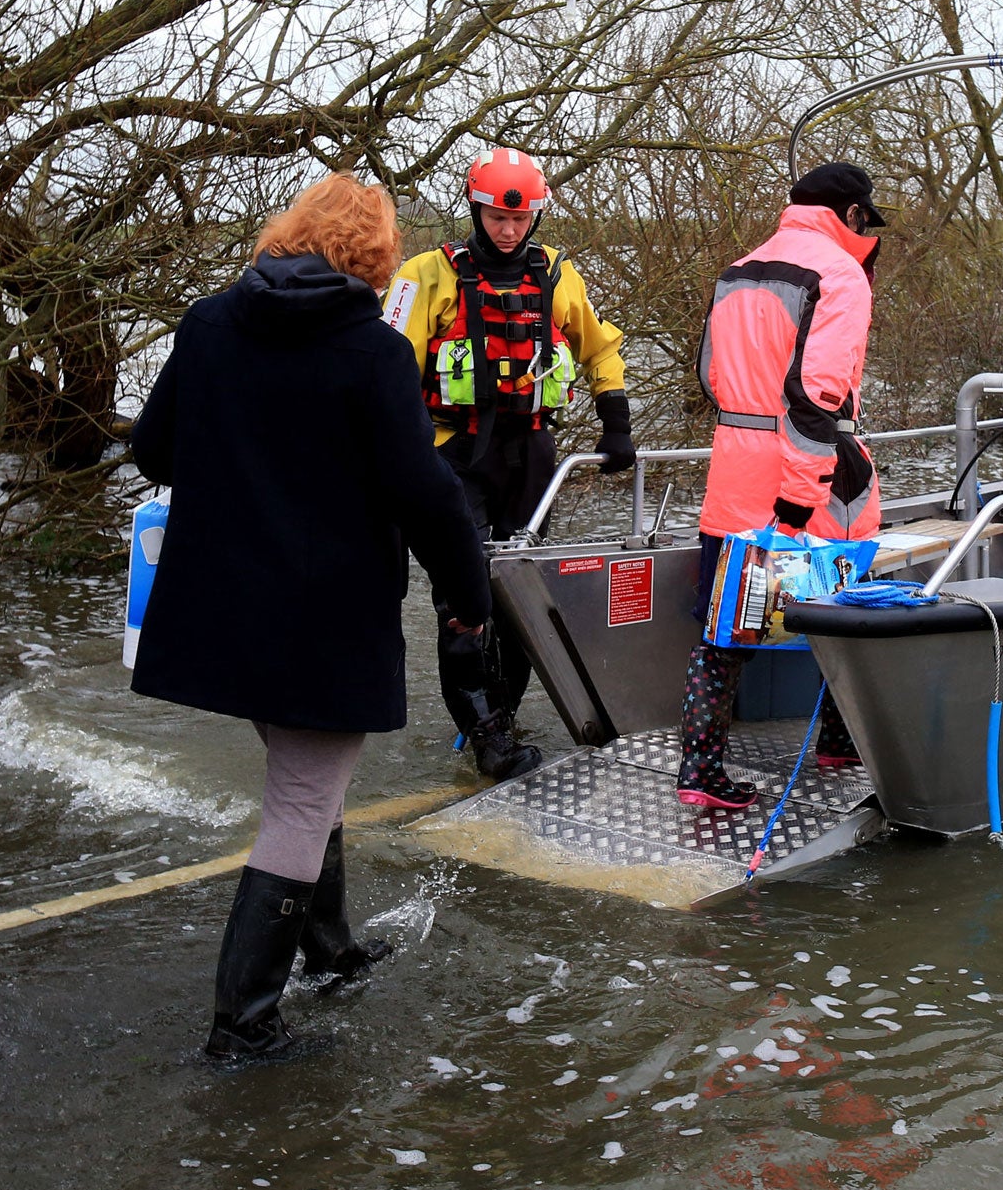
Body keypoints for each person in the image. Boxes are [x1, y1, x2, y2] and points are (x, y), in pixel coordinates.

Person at [131, 173, 490, 1063]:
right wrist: (468, 596)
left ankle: (327, 951)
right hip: (324, 613)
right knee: (301, 800)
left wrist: (245, 463)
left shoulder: (208, 322)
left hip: (220, 605)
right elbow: (425, 492)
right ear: (374, 258)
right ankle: (242, 1025)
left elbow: (151, 449)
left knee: (307, 779)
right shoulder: (372, 352)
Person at [382, 148, 633, 782]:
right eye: (497, 216)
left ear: (536, 218)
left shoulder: (558, 276)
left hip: (530, 454)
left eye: (521, 220)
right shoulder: (423, 275)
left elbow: (599, 344)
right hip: (452, 455)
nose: (509, 230)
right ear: (476, 209)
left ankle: (503, 714)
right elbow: (383, 366)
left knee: (520, 590)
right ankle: (483, 728)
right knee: (463, 596)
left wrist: (616, 415)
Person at [680, 163, 886, 809]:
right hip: (806, 487)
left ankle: (699, 773)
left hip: (730, 481)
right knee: (844, 623)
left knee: (722, 636)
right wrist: (798, 501)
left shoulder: (736, 269)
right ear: (852, 217)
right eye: (866, 224)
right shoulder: (841, 277)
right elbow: (816, 399)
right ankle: (839, 741)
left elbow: (710, 375)